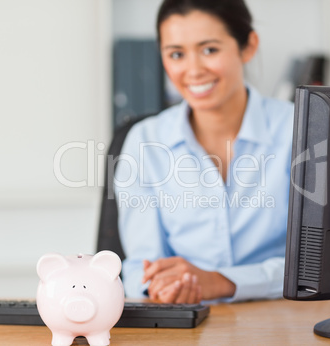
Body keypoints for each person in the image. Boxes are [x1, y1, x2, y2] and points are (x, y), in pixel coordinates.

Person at [114, 0, 294, 304]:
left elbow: (318, 268)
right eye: (176, 54)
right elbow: (138, 269)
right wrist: (160, 287)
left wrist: (224, 282)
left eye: (209, 49)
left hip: (285, 321)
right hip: (189, 323)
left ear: (247, 47)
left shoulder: (300, 130)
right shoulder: (145, 141)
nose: (193, 70)